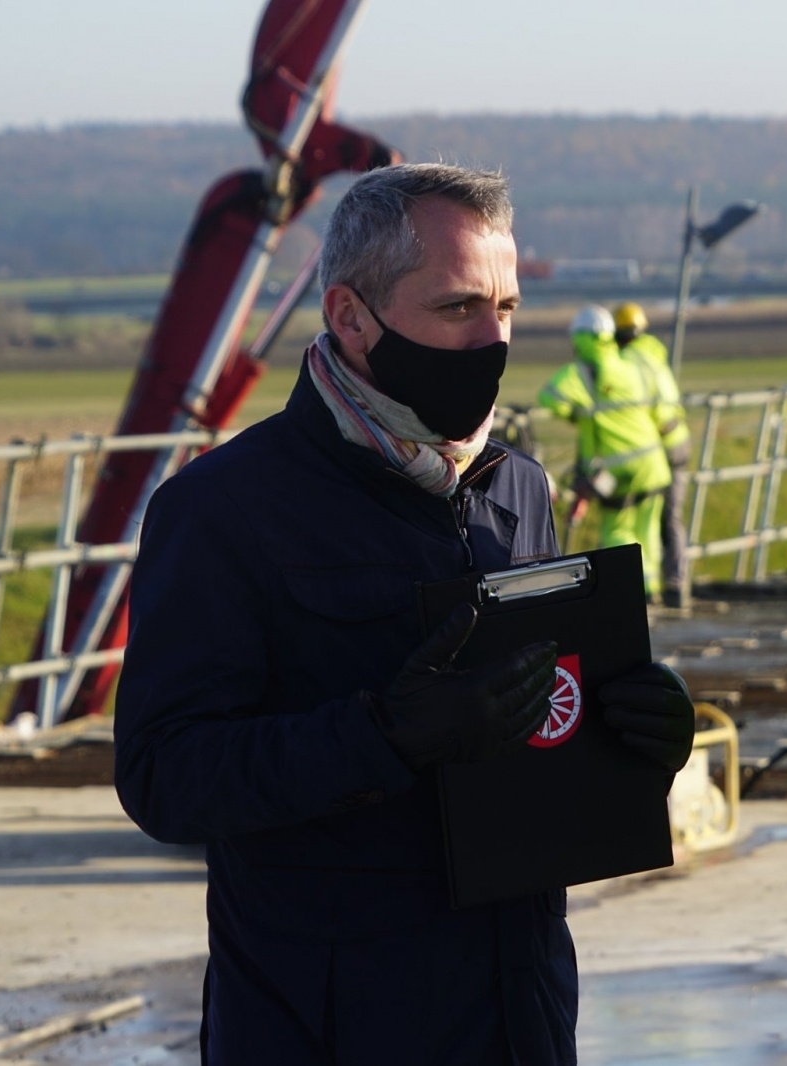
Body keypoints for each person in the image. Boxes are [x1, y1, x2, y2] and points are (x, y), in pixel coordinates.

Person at [114, 163, 696, 1065]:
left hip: (518, 1015)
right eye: (459, 308)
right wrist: (381, 735)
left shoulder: (519, 489)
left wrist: (632, 745)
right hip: (330, 1027)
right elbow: (165, 774)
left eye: (505, 310)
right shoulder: (226, 508)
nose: (492, 339)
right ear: (351, 316)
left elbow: (542, 748)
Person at [537, 304, 673, 599]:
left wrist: (577, 414)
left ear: (582, 338)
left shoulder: (583, 371)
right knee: (647, 531)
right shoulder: (629, 364)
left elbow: (549, 397)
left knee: (617, 532)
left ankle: (629, 596)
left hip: (618, 470)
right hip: (652, 463)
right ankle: (652, 591)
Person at [613, 301, 692, 607]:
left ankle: (652, 585)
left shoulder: (629, 360)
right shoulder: (654, 353)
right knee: (670, 516)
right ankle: (675, 585)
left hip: (657, 445)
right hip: (678, 439)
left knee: (648, 518)